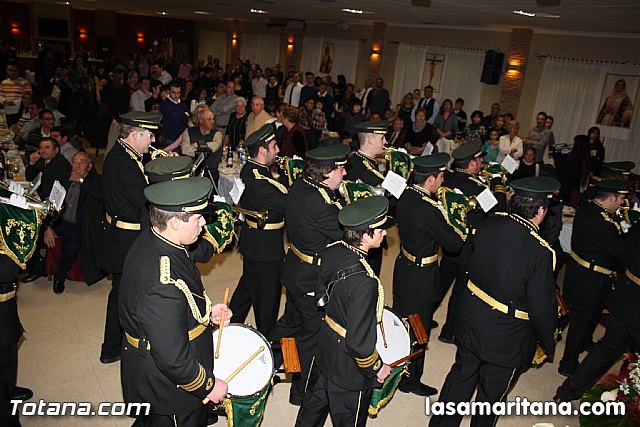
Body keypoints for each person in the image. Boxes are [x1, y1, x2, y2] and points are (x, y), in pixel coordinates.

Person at [429, 176, 560, 427]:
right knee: (490, 395)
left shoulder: (489, 224)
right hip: (507, 335)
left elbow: (467, 261)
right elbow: (541, 308)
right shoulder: (541, 252)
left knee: (460, 377)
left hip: (470, 316)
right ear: (541, 211)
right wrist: (548, 340)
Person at [119, 177, 230, 425]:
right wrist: (208, 386)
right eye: (197, 217)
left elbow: (180, 298)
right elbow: (173, 359)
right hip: (168, 388)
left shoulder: (160, 240)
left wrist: (205, 312)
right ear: (174, 222)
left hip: (158, 356)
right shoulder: (161, 283)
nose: (204, 223)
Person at [294, 196, 395, 427]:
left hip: (327, 345)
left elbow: (320, 297)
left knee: (313, 408)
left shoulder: (333, 250)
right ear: (366, 235)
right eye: (380, 230)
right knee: (349, 418)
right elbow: (359, 344)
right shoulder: (365, 282)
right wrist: (376, 367)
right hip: (349, 369)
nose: (385, 234)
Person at [269, 144, 350, 406]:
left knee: (291, 322)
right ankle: (301, 391)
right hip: (312, 277)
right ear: (327, 172)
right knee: (312, 336)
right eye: (341, 169)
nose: (344, 174)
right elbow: (345, 236)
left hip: (294, 269)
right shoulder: (322, 203)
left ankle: (267, 357)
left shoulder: (302, 185)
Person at [393, 154, 464, 397]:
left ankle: (397, 369)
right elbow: (454, 244)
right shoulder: (430, 209)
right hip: (422, 275)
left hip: (404, 265)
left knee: (402, 324)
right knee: (419, 330)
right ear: (431, 179)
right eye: (441, 177)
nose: (442, 181)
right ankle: (411, 381)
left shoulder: (405, 196)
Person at [99, 111, 162, 364]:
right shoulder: (124, 163)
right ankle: (113, 347)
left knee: (122, 292)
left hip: (121, 233)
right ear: (135, 134)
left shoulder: (126, 153)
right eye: (149, 135)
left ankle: (113, 345)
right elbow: (145, 199)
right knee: (124, 294)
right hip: (125, 238)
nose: (153, 140)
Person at [554, 220, 640, 402]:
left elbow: (626, 250)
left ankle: (567, 391)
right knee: (627, 358)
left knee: (606, 349)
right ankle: (627, 402)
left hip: (628, 295)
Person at [558, 180, 631, 377]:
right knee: (582, 322)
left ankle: (549, 341)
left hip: (576, 270)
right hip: (592, 278)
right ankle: (568, 363)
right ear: (612, 198)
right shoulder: (603, 224)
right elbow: (623, 252)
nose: (623, 202)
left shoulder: (588, 208)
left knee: (570, 312)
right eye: (622, 198)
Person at [229, 124, 287, 335]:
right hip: (266, 247)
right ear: (262, 150)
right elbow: (286, 204)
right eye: (274, 146)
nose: (278, 150)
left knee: (247, 289)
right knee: (267, 299)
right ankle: (267, 341)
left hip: (256, 242)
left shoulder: (254, 170)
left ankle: (228, 327)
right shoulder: (258, 179)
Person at [438, 142, 489, 344]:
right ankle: (449, 331)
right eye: (479, 160)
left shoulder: (447, 180)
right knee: (461, 289)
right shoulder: (479, 187)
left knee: (442, 280)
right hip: (469, 243)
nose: (481, 163)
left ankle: (423, 319)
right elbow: (497, 210)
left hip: (449, 239)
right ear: (472, 164)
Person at [43, 151, 102, 294]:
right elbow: (53, 204)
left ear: (89, 165)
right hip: (60, 221)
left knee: (73, 246)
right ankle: (38, 268)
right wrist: (48, 226)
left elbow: (100, 195)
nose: (77, 166)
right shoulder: (64, 178)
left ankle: (60, 276)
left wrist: (81, 181)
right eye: (74, 162)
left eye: (81, 162)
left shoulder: (97, 180)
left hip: (80, 225)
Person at [346, 121, 389, 276]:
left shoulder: (364, 161)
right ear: (370, 140)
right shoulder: (361, 165)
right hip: (365, 236)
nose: (386, 142)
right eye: (382, 138)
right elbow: (394, 193)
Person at [179, 106, 223, 185]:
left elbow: (213, 147)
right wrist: (202, 147)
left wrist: (195, 144)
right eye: (209, 119)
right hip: (193, 173)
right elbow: (185, 150)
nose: (212, 122)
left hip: (211, 174)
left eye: (213, 119)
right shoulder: (188, 131)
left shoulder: (217, 134)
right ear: (201, 121)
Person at [159, 81, 189, 151]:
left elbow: (187, 116)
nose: (176, 95)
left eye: (178, 93)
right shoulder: (165, 104)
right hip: (170, 138)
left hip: (181, 138)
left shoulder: (182, 103)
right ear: (169, 92)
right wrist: (183, 116)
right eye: (174, 93)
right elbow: (175, 121)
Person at [0, 62, 32, 126]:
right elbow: (0, 95)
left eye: (15, 70)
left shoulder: (25, 83)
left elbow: (28, 98)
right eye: (10, 70)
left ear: (18, 71)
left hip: (18, 112)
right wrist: (3, 101)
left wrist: (14, 102)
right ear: (7, 70)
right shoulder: (4, 82)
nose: (12, 73)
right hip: (5, 111)